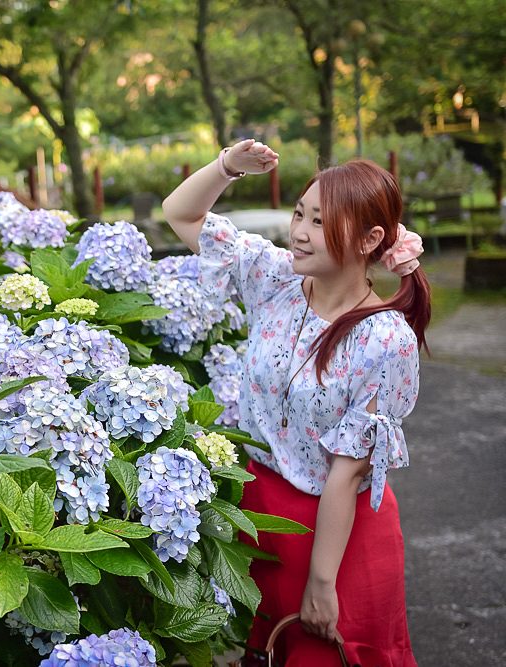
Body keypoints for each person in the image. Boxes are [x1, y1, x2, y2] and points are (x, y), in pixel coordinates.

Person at [163, 139, 427, 666]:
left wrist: (322, 582)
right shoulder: (276, 278)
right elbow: (181, 213)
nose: (301, 232)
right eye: (300, 214)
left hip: (339, 537)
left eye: (320, 221)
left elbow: (347, 474)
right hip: (262, 512)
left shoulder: (385, 340)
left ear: (370, 239)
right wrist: (227, 166)